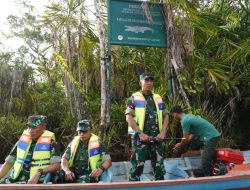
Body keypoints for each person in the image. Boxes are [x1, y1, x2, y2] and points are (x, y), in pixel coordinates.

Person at [125, 72, 170, 181]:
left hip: (157, 138)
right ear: (140, 82)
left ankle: (160, 186)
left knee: (159, 169)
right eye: (146, 80)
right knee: (137, 168)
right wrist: (140, 133)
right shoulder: (133, 98)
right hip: (140, 139)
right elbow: (129, 118)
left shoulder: (158, 98)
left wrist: (163, 132)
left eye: (151, 80)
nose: (149, 83)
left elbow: (166, 116)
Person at [0, 115, 61, 184]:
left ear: (43, 127)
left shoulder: (52, 144)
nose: (30, 130)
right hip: (16, 180)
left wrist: (39, 172)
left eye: (34, 127)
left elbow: (57, 165)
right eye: (29, 127)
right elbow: (8, 163)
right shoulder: (21, 142)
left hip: (39, 182)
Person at [170, 106, 220, 176]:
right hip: (207, 136)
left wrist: (179, 145)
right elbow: (190, 137)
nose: (174, 117)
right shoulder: (188, 116)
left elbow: (185, 138)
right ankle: (206, 153)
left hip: (210, 136)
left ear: (175, 114)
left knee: (205, 163)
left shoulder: (184, 121)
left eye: (173, 116)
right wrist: (182, 143)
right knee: (192, 144)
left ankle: (208, 179)